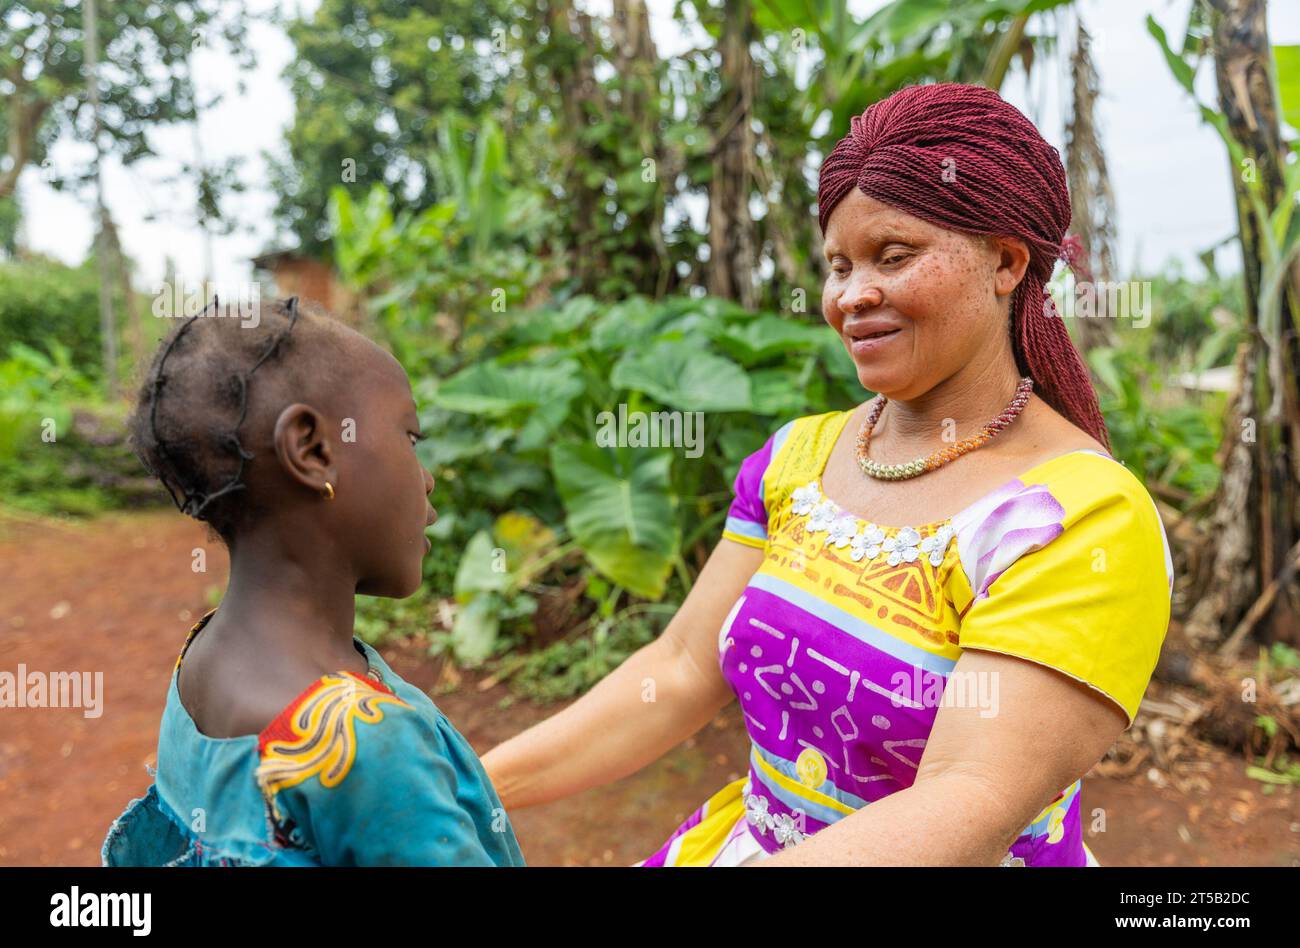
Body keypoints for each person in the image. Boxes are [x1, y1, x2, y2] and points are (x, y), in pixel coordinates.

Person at [481, 83, 1173, 866]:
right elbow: (677, 671)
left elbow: (966, 801)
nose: (851, 297)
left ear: (1007, 261)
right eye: (837, 265)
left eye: (894, 256)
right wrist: (469, 789)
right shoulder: (797, 459)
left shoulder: (1077, 517)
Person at [101, 297, 524, 867]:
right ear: (313, 450)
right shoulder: (369, 744)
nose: (425, 480)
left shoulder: (199, 664)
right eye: (410, 438)